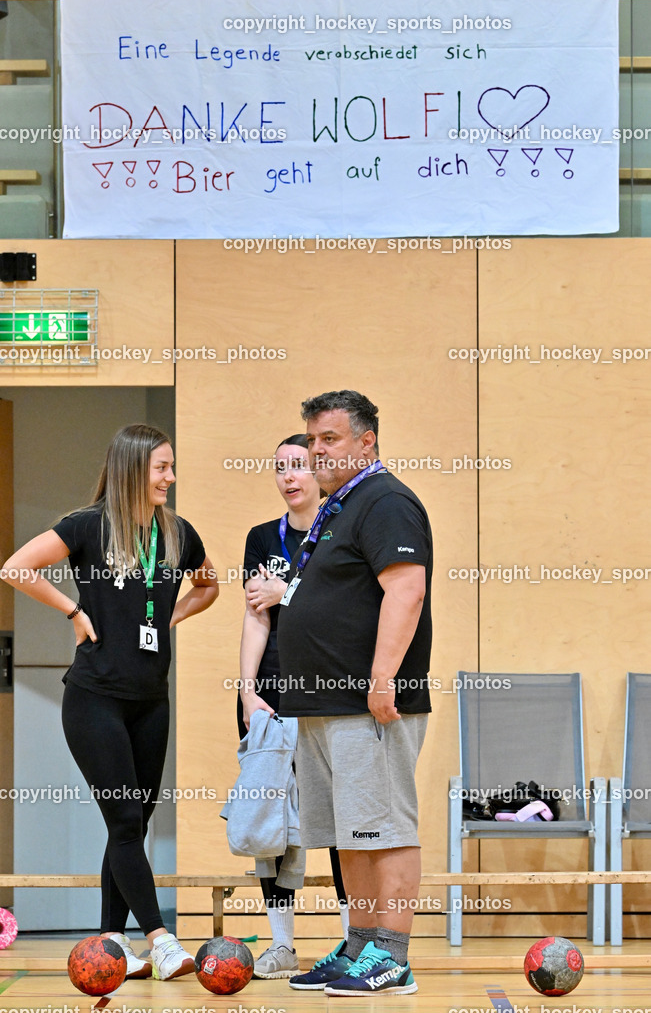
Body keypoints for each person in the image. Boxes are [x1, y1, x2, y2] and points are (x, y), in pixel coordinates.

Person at [0, 424, 218, 982]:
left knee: (132, 824)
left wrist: (167, 615)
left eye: (172, 466)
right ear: (131, 469)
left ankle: (112, 940)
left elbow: (209, 585)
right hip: (95, 699)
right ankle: (162, 940)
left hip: (151, 700)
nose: (171, 477)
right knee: (124, 818)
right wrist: (74, 613)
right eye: (161, 468)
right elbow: (16, 568)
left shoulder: (178, 534)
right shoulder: (87, 526)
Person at [276, 391, 433, 996]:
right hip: (322, 705)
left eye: (330, 439)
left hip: (367, 702)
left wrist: (382, 678)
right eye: (312, 440)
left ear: (366, 441)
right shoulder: (339, 506)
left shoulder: (385, 501)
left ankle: (391, 956)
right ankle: (361, 944)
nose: (317, 450)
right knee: (352, 834)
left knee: (385, 828)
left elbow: (406, 592)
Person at [238, 434, 349, 979]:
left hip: (331, 691)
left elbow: (347, 610)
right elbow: (256, 614)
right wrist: (246, 688)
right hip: (273, 695)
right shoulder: (263, 539)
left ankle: (357, 942)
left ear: (318, 470)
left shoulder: (340, 532)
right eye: (279, 467)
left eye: (299, 466)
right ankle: (281, 944)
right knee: (271, 820)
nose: (289, 477)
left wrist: (291, 596)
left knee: (337, 819)